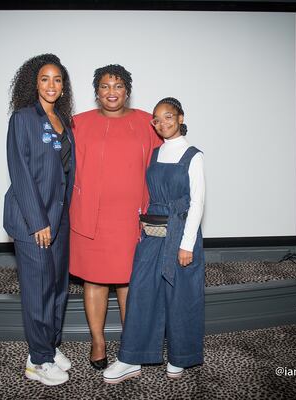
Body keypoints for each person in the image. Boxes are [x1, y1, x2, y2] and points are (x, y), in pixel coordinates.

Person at [102, 97, 206, 383]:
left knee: (181, 296)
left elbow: (197, 203)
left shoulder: (193, 155)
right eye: (157, 120)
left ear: (181, 118)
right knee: (142, 292)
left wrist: (186, 245)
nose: (162, 123)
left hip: (181, 233)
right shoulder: (156, 153)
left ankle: (180, 357)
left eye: (168, 117)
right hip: (153, 232)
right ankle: (131, 358)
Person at [69, 64, 162, 370]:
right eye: (106, 86)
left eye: (118, 86)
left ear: (127, 90)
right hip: (90, 217)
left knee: (128, 282)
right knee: (94, 281)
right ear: (97, 92)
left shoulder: (148, 122)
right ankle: (98, 342)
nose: (112, 92)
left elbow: (164, 165)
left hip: (132, 218)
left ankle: (131, 343)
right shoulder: (77, 124)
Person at [3, 54, 75, 386]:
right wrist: (38, 222)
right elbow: (20, 173)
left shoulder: (63, 120)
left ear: (63, 86)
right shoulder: (23, 118)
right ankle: (37, 359)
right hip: (34, 221)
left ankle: (50, 344)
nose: (51, 85)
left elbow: (65, 173)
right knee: (38, 290)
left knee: (58, 286)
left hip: (59, 219)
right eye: (45, 78)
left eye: (57, 79)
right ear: (34, 82)